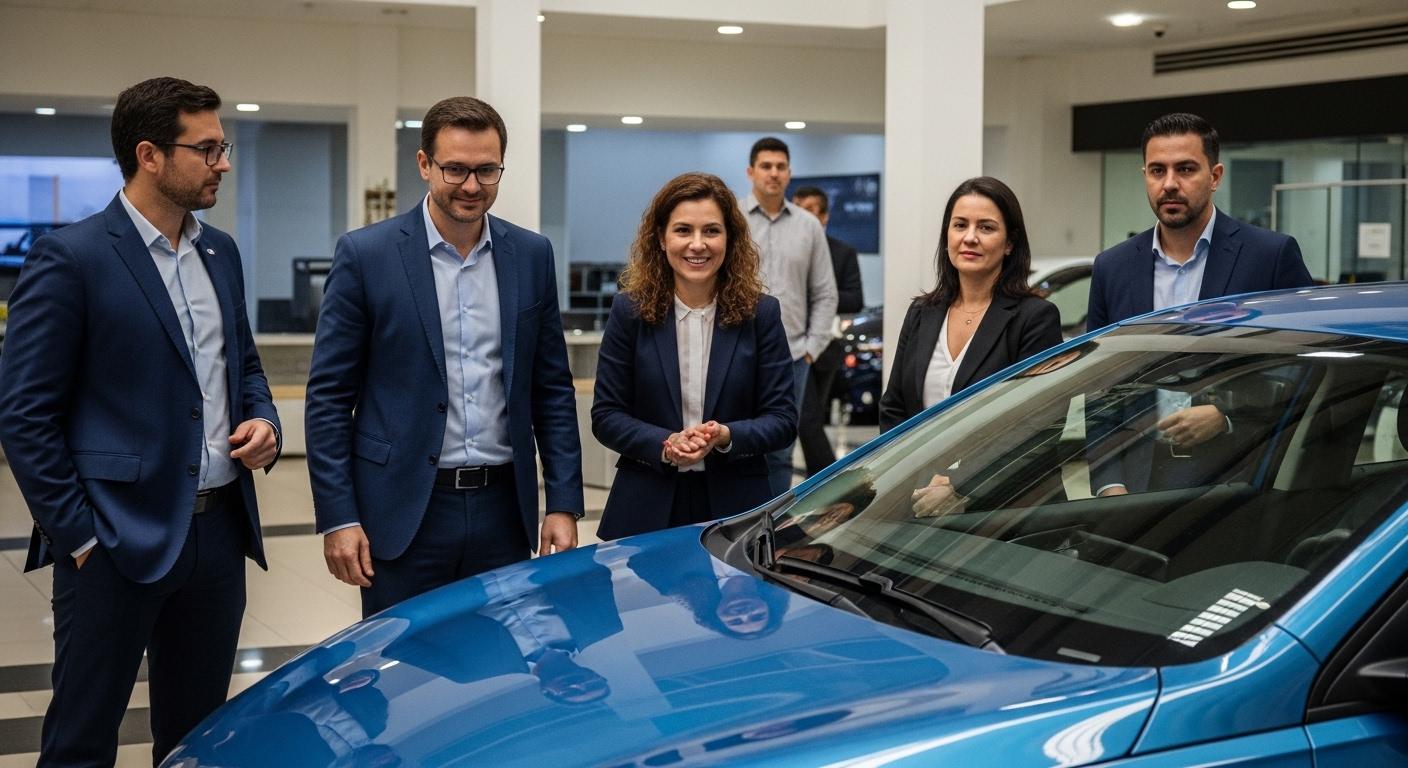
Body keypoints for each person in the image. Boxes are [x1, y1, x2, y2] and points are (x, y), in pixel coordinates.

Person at [0, 77, 281, 766]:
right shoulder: (73, 257)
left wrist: (265, 422)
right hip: (115, 543)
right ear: (150, 154)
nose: (223, 161)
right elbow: (24, 413)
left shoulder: (221, 253)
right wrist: (81, 537)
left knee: (198, 736)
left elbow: (240, 366)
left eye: (225, 146)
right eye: (207, 148)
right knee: (83, 739)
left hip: (216, 535)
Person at [305, 96, 583, 617]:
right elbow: (328, 398)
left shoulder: (531, 255)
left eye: (486, 170)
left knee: (500, 669)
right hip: (405, 509)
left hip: (504, 509)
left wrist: (563, 502)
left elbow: (551, 388)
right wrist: (338, 516)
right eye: (455, 169)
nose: (472, 186)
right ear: (424, 164)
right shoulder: (366, 255)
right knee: (403, 673)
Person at [1086, 112, 1313, 496]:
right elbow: (1100, 387)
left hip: (1238, 477)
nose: (1170, 184)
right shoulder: (1113, 267)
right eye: (1157, 170)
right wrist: (1109, 482)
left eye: (1186, 169)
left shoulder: (1269, 256)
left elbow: (1306, 365)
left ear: (1215, 176)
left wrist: (1227, 414)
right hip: (1136, 483)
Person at [592, 172, 795, 540]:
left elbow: (782, 419)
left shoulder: (761, 314)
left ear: (730, 240)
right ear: (660, 238)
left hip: (737, 509)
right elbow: (607, 415)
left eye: (712, 231)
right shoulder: (629, 312)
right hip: (645, 505)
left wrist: (726, 435)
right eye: (683, 230)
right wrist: (665, 444)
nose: (697, 245)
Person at [879, 176, 1063, 433]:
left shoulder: (1035, 318)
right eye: (960, 225)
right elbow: (894, 409)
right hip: (922, 474)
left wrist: (959, 474)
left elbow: (1038, 423)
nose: (970, 237)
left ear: (1010, 243)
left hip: (996, 473)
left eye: (986, 228)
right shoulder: (921, 313)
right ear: (947, 236)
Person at [742, 138, 838, 495]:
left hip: (793, 357)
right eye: (766, 166)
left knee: (782, 451)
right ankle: (735, 527)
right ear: (751, 172)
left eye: (781, 167)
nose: (774, 173)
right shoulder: (732, 219)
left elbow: (826, 291)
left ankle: (772, 529)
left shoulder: (809, 226)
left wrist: (812, 348)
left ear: (790, 173)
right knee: (735, 445)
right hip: (738, 354)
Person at [791, 185, 865, 476]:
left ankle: (824, 485)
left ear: (824, 216)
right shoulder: (790, 251)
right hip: (792, 343)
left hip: (826, 345)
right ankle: (828, 485)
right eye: (797, 208)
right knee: (806, 420)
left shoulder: (842, 252)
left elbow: (855, 299)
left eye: (809, 209)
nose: (802, 216)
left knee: (810, 420)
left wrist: (821, 297)